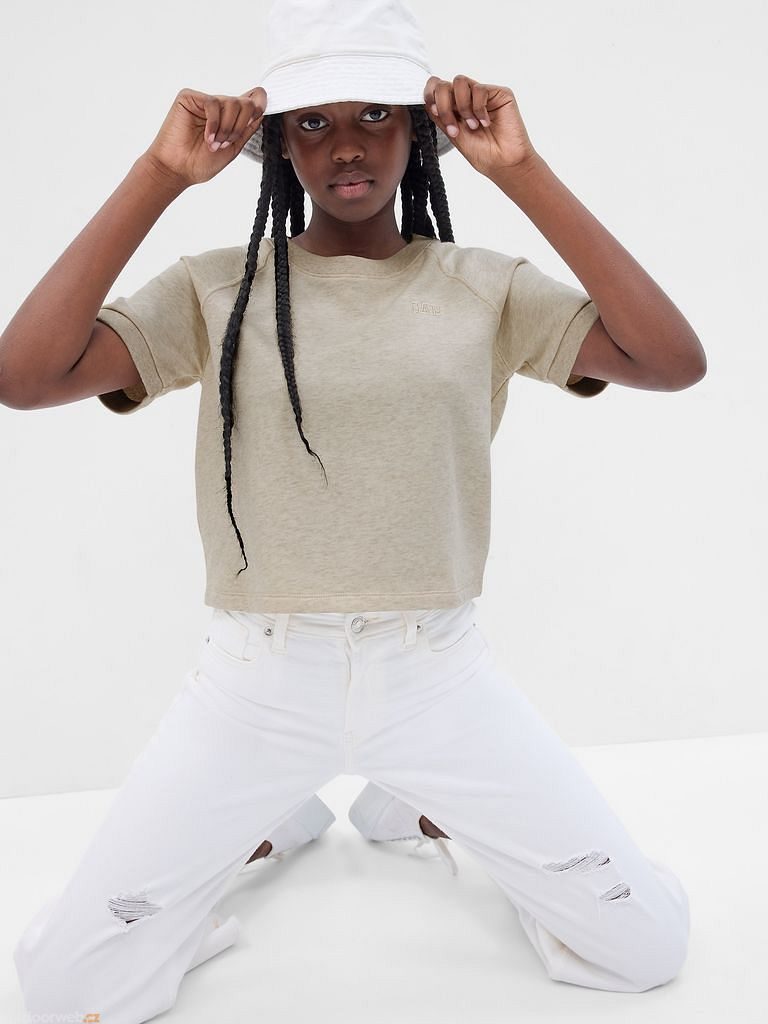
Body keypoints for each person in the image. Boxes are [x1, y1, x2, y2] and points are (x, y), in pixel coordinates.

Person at [2, 0, 706, 1019]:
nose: (347, 146)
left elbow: (672, 360)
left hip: (434, 675)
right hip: (255, 682)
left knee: (645, 947)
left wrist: (521, 172)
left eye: (375, 115)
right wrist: (159, 173)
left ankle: (408, 800)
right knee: (66, 985)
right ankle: (279, 814)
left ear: (419, 131)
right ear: (280, 144)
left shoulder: (484, 287)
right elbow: (24, 376)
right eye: (314, 122)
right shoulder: (216, 288)